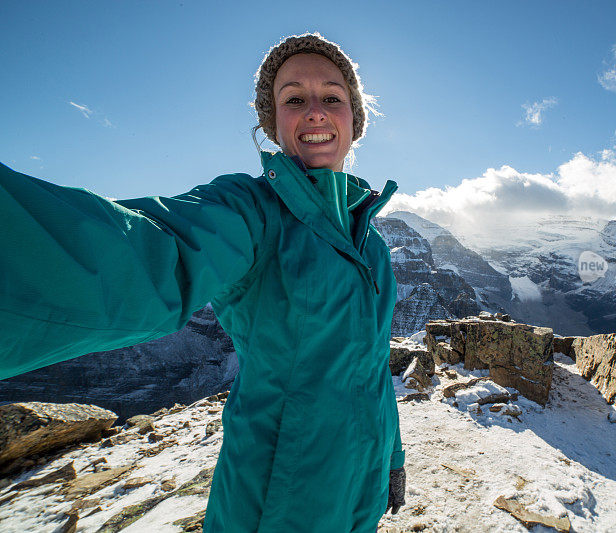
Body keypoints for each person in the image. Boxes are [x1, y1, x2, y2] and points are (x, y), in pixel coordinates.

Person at [0, 32, 406, 532]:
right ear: (272, 123)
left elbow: (371, 369)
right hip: (276, 498)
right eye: (295, 98)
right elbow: (153, 254)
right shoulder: (251, 211)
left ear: (354, 119)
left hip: (359, 489)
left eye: (332, 97)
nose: (316, 110)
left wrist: (392, 456)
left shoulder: (373, 247)